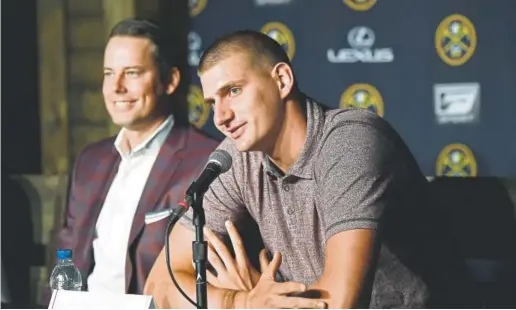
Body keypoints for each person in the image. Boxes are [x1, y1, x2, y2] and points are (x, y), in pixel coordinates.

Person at [144, 30, 473, 308]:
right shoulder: (236, 157)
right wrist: (240, 301)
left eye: (233, 91)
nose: (220, 117)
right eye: (212, 102)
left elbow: (339, 303)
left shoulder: (350, 141)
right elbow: (160, 283)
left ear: (282, 80)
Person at [54, 18, 220, 296]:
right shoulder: (90, 161)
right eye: (109, 73)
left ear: (170, 80)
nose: (116, 86)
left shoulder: (206, 160)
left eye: (131, 72)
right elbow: (64, 262)